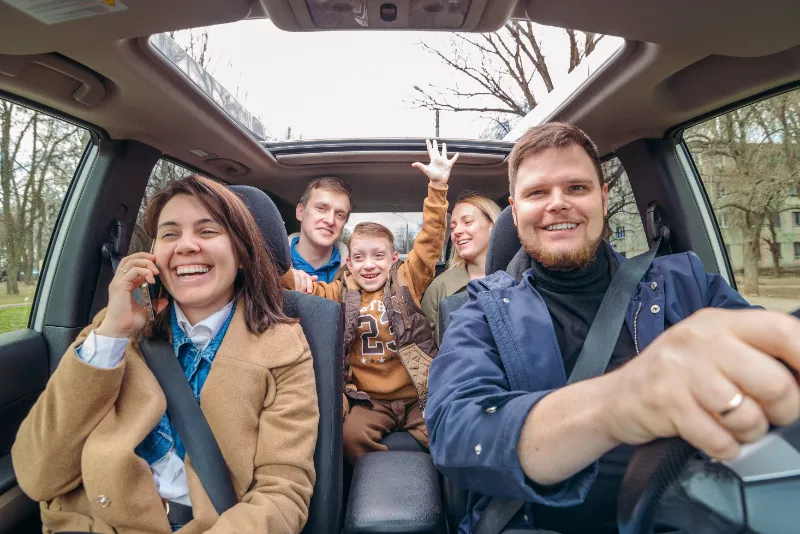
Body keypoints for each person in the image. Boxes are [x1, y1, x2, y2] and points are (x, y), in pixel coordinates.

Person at [425, 122, 800, 534]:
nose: (558, 204)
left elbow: (776, 350)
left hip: (696, 515)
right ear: (514, 212)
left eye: (577, 188)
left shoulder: (686, 282)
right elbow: (456, 431)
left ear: (603, 200)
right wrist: (620, 402)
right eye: (537, 193)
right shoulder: (478, 311)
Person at [12, 176, 319, 533]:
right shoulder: (115, 331)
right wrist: (111, 335)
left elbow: (283, 492)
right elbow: (38, 474)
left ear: (242, 254)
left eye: (207, 231)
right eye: (170, 234)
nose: (186, 245)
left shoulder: (283, 347)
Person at [288, 139, 456, 464]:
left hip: (416, 395)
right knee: (350, 437)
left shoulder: (407, 280)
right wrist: (287, 277)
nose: (369, 265)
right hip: (369, 401)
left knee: (448, 431)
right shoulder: (340, 289)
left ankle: (444, 498)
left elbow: (429, 241)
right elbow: (308, 293)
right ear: (348, 263)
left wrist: (437, 186)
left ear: (395, 259)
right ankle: (372, 486)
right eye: (360, 258)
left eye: (379, 256)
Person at [421, 192, 501, 345]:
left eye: (467, 222)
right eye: (453, 226)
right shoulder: (440, 286)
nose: (456, 231)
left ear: (493, 225)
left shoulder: (520, 278)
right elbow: (424, 347)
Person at [289, 176, 352, 282]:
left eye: (340, 215)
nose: (330, 221)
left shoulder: (356, 272)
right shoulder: (270, 265)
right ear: (300, 212)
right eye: (321, 208)